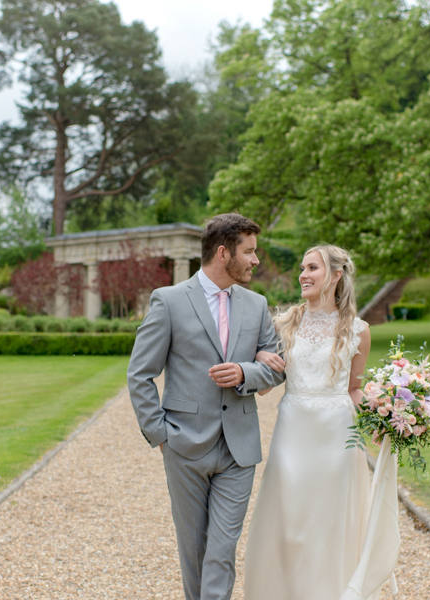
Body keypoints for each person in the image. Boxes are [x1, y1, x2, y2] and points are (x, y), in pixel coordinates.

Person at [127, 213, 286, 600]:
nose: (255, 260)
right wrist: (160, 434)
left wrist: (246, 373)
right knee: (194, 548)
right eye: (248, 251)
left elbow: (277, 367)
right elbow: (139, 375)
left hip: (240, 447)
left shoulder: (256, 304)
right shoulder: (168, 301)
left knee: (221, 548)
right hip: (184, 445)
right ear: (222, 252)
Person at [244, 244, 400, 600]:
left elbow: (354, 389)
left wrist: (384, 416)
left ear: (336, 274)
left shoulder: (358, 330)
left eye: (312, 268)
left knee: (328, 525)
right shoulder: (285, 322)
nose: (303, 275)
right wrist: (260, 357)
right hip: (292, 432)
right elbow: (266, 384)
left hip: (337, 438)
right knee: (289, 522)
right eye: (302, 268)